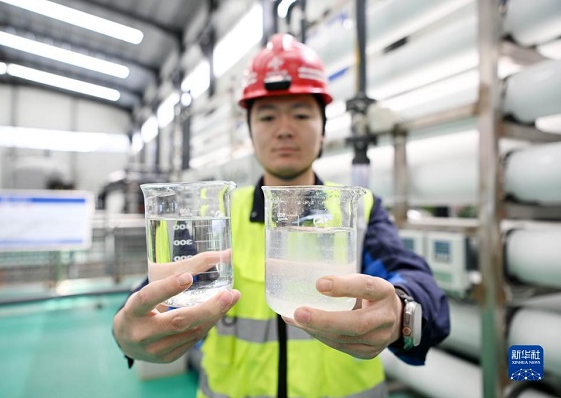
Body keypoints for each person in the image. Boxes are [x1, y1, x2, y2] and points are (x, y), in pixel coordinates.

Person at [113, 33, 450, 398]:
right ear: (250, 131)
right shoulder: (217, 216)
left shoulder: (360, 211)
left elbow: (421, 289)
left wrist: (401, 313)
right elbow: (154, 295)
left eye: (301, 114)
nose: (284, 129)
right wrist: (128, 332)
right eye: (268, 116)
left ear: (323, 130)